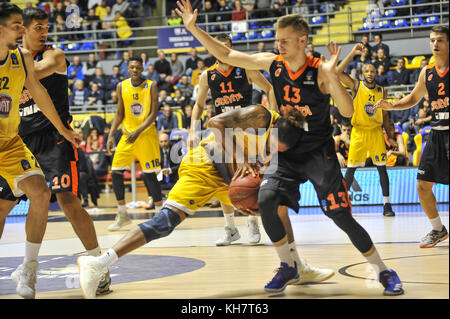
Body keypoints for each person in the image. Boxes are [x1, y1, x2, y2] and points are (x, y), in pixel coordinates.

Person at [176, 0, 404, 296]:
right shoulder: (274, 64)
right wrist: (194, 28)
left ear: (302, 40)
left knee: (340, 215)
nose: (279, 45)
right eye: (277, 40)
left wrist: (333, 77)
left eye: (284, 41)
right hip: (286, 149)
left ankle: (384, 270)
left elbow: (347, 111)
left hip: (318, 153)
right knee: (267, 199)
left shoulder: (320, 70)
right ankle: (288, 265)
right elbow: (226, 53)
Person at [77, 105, 333, 299]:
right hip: (205, 165)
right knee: (165, 223)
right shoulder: (261, 115)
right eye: (276, 146)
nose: (277, 151)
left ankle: (295, 265)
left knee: (277, 208)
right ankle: (98, 263)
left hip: (230, 179)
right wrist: (241, 157)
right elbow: (213, 122)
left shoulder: (292, 145)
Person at [0, 3, 81, 299]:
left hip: (9, 142)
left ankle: (29, 270)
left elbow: (41, 93)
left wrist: (63, 130)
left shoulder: (21, 58)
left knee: (41, 193)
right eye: (17, 25)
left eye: (24, 25)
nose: (23, 30)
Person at [189, 33, 278, 246]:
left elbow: (270, 88)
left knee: (250, 175)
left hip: (247, 130)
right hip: (221, 131)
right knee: (220, 178)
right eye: (218, 46)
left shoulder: (245, 68)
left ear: (230, 49)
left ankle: (252, 220)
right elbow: (199, 105)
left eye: (225, 46)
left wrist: (272, 116)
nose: (221, 50)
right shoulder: (207, 76)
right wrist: (193, 129)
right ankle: (230, 228)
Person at [376, 26, 449, 248]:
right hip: (436, 135)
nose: (435, 44)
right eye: (432, 40)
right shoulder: (426, 72)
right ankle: (438, 229)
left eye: (440, 40)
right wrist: (392, 105)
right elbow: (413, 98)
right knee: (422, 186)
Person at [337, 43, 397, 217]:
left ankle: (387, 205)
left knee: (382, 169)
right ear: (363, 73)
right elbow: (339, 73)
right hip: (359, 133)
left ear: (376, 73)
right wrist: (351, 54)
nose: (370, 73)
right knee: (351, 169)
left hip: (376, 132)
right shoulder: (356, 85)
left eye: (372, 71)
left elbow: (385, 116)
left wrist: (390, 136)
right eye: (367, 71)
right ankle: (343, 204)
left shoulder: (381, 91)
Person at [106, 56, 163, 231]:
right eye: (132, 67)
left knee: (150, 175)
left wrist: (137, 131)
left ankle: (161, 216)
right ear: (128, 69)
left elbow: (154, 113)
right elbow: (119, 113)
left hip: (145, 135)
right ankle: (122, 214)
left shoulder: (151, 85)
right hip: (126, 135)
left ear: (142, 68)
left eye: (138, 67)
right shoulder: (121, 86)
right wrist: (110, 134)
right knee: (115, 172)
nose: (135, 70)